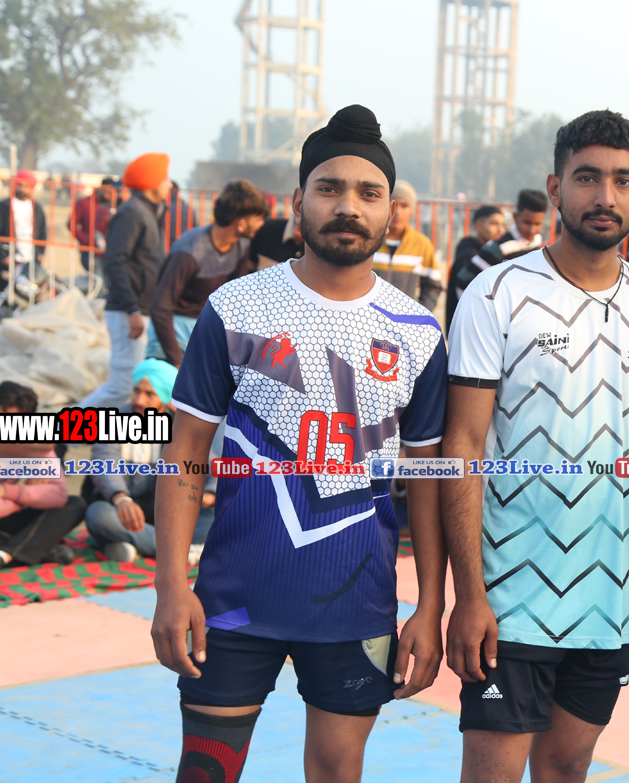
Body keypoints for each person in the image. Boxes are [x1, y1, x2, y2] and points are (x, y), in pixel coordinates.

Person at [150, 105, 448, 783]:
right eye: (329, 188)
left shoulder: (418, 332)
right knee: (204, 772)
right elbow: (186, 451)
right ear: (297, 202)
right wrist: (170, 585)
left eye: (368, 193)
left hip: (357, 609)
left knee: (338, 773)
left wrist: (430, 606)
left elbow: (429, 482)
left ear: (391, 212)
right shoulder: (237, 307)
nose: (348, 206)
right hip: (231, 603)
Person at [443, 109, 629, 783]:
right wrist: (469, 595)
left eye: (622, 181)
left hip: (609, 597)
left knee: (568, 768)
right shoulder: (498, 292)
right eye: (587, 178)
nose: (605, 196)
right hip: (507, 597)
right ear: (555, 188)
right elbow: (462, 444)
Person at [83, 360, 214, 563]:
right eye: (136, 391)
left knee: (218, 513)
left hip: (164, 514)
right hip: (119, 509)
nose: (139, 401)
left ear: (165, 397)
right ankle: (180, 552)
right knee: (98, 515)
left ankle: (137, 544)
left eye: (149, 394)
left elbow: (211, 465)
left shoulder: (179, 427)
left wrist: (209, 494)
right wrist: (121, 499)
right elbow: (105, 462)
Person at [79, 153, 173, 410]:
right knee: (122, 386)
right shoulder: (132, 213)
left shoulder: (147, 212)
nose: (169, 184)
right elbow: (115, 262)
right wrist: (132, 310)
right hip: (127, 311)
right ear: (151, 183)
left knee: (128, 387)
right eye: (165, 178)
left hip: (138, 309)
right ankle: (66, 429)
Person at [0, 382, 84, 576]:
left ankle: (0, 557)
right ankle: (35, 550)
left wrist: (6, 492)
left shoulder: (32, 437)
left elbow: (58, 494)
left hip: (1, 513)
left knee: (74, 505)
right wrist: (25, 498)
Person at [147, 180, 268, 367]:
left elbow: (236, 300)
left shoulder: (241, 246)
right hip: (170, 334)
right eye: (258, 218)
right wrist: (178, 361)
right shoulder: (190, 250)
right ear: (241, 224)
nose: (262, 224)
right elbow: (160, 308)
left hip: (203, 332)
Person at [449, 189, 549, 318]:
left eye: (537, 224)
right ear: (515, 217)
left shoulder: (537, 242)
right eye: (527, 222)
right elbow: (464, 279)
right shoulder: (499, 247)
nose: (532, 229)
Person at [375, 179, 441, 310]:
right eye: (392, 204)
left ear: (412, 211)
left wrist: (419, 315)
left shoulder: (422, 244)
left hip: (405, 319)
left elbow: (432, 287)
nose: (398, 211)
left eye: (404, 206)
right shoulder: (370, 240)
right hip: (369, 318)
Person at [0, 170, 47, 304]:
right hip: (10, 256)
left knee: (30, 292)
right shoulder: (4, 206)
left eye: (26, 186)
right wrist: (3, 255)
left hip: (31, 258)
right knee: (3, 290)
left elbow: (42, 233)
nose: (22, 189)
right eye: (19, 185)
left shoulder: (37, 208)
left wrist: (40, 253)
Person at [445, 205, 505, 327]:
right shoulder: (469, 255)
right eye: (494, 224)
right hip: (468, 324)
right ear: (479, 226)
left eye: (502, 225)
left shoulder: (491, 254)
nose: (500, 230)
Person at [68, 176, 118, 273]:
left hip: (109, 252)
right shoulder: (84, 203)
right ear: (102, 188)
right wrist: (84, 239)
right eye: (108, 192)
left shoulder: (113, 206)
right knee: (98, 279)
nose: (110, 195)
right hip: (90, 252)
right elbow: (71, 224)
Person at [161, 180, 193, 247]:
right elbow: (194, 228)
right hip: (182, 246)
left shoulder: (160, 207)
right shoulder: (189, 209)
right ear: (178, 192)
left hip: (163, 246)